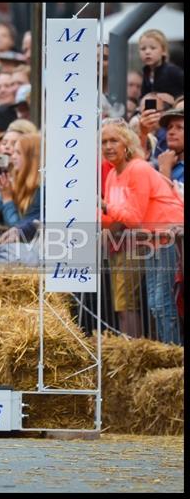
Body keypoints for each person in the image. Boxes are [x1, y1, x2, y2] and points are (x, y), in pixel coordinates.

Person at [100, 122, 184, 345]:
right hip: (151, 240)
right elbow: (114, 219)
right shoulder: (111, 176)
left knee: (163, 303)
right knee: (155, 304)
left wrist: (104, 207)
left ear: (127, 144)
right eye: (104, 142)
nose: (108, 146)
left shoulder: (138, 168)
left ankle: (174, 358)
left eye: (113, 141)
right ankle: (169, 355)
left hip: (169, 237)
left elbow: (134, 218)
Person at [138, 29, 183, 99]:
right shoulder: (146, 72)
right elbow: (144, 95)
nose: (147, 52)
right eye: (143, 49)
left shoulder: (172, 70)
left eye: (153, 48)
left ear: (164, 51)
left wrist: (176, 101)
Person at [157, 108, 184, 184]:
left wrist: (165, 170)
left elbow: (164, 195)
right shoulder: (162, 160)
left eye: (179, 127)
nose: (171, 132)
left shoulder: (165, 164)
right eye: (169, 127)